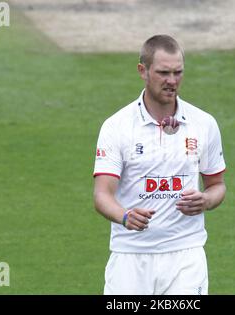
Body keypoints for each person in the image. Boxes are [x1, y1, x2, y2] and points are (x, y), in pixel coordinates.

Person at [93, 34, 226, 295]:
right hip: (130, 256)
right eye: (164, 72)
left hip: (185, 255)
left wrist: (206, 200)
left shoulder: (203, 124)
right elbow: (101, 194)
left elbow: (217, 185)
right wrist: (125, 216)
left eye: (178, 73)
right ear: (143, 71)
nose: (172, 81)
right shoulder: (117, 126)